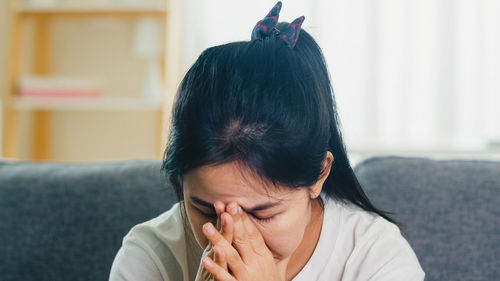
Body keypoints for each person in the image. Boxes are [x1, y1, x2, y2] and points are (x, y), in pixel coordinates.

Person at [109, 2, 425, 280]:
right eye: (206, 211)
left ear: (319, 174)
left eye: (263, 214)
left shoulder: (374, 256)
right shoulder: (148, 256)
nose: (231, 236)